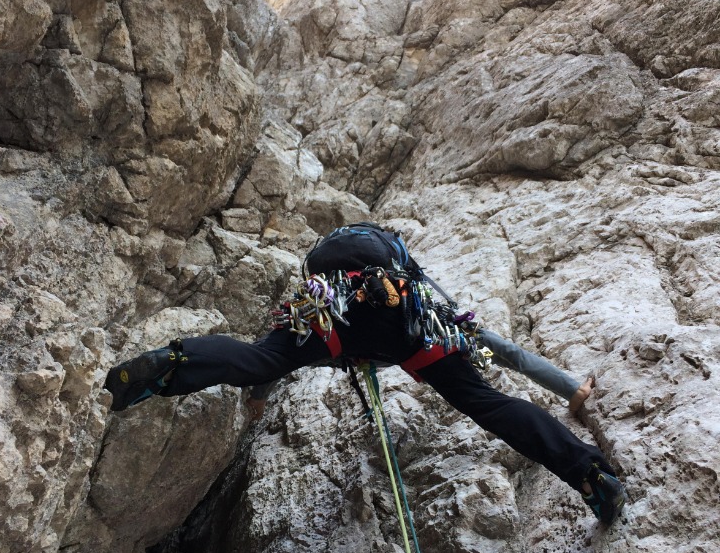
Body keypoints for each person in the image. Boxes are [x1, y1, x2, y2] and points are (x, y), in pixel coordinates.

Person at [105, 223, 625, 524]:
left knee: (259, 355)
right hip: (407, 321)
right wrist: (569, 386)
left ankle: (171, 365)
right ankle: (589, 474)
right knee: (488, 403)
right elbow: (497, 345)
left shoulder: (325, 274)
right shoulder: (407, 276)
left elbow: (271, 354)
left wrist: (260, 390)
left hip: (332, 313)